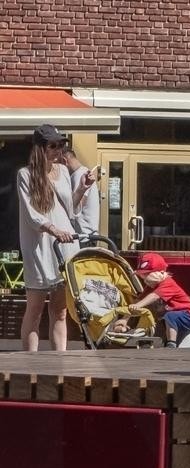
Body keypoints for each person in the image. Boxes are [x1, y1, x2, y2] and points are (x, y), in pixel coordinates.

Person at [15, 124, 81, 352]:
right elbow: (32, 214)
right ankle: (30, 361)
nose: (58, 150)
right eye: (53, 145)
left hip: (64, 245)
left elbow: (70, 210)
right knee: (35, 309)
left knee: (60, 310)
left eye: (60, 145)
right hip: (40, 246)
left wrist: (82, 189)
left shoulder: (63, 171)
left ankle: (59, 360)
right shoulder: (25, 174)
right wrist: (53, 229)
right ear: (40, 148)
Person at [129, 252, 190, 347]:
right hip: (174, 319)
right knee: (161, 334)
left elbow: (153, 296)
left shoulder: (167, 283)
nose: (146, 281)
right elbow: (138, 300)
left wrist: (137, 306)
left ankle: (171, 343)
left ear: (162, 273)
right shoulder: (151, 286)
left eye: (148, 277)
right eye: (143, 278)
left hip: (189, 316)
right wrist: (124, 319)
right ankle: (167, 347)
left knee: (170, 316)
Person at [61, 145, 101, 238]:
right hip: (86, 235)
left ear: (64, 161)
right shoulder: (80, 173)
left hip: (84, 236)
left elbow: (78, 205)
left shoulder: (79, 175)